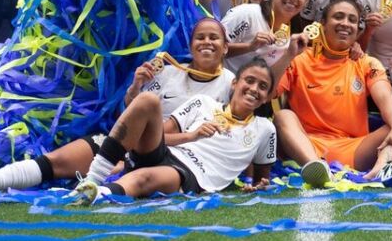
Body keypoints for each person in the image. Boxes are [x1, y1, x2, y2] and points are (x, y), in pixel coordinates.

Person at [0, 17, 235, 192]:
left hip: (171, 157)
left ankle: (95, 181)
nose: (206, 42)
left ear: (225, 47)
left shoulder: (231, 84)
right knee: (59, 160)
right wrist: (135, 87)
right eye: (201, 37)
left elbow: (215, 140)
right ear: (191, 43)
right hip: (128, 142)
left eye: (214, 38)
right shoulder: (168, 69)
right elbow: (132, 111)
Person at [66, 58, 278, 203]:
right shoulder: (203, 102)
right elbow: (160, 136)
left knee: (143, 178)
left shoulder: (265, 128)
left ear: (268, 97)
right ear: (234, 83)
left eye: (262, 86)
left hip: (191, 174)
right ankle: (92, 179)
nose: (253, 89)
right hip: (164, 152)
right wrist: (192, 135)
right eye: (249, 81)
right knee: (147, 100)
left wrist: (258, 186)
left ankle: (95, 195)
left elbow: (261, 178)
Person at [273, 0, 392, 186]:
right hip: (308, 146)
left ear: (358, 30)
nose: (345, 23)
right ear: (322, 24)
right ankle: (316, 168)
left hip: (355, 149)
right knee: (283, 116)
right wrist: (287, 56)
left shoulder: (367, 63)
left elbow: (385, 98)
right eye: (338, 17)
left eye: (352, 20)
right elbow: (270, 93)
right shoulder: (299, 59)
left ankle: (379, 170)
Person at [221, 0, 313, 79]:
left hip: (250, 93)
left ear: (306, 1)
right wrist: (250, 46)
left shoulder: (293, 38)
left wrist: (289, 55)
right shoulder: (248, 14)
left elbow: (271, 81)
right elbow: (213, 49)